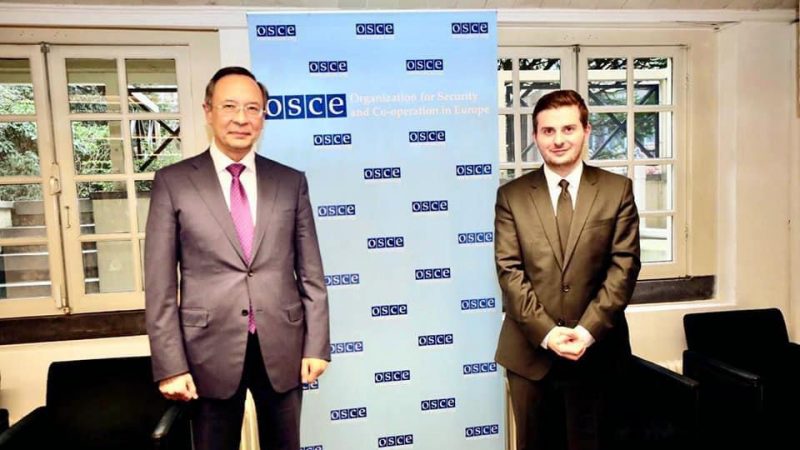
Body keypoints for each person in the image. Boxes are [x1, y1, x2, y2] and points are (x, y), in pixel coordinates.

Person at [145, 66, 330, 450]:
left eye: (252, 108)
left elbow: (312, 273)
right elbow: (160, 285)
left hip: (283, 344)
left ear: (263, 116)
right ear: (208, 111)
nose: (241, 118)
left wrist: (316, 345)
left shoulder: (290, 182)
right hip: (206, 349)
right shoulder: (173, 182)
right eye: (229, 106)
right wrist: (171, 365)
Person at [494, 89, 640, 450]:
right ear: (535, 136)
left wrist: (586, 332)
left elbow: (623, 268)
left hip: (598, 354)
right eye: (548, 131)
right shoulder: (511, 196)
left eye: (568, 129)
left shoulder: (617, 190)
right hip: (530, 356)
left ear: (586, 131)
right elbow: (510, 271)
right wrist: (547, 333)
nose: (558, 140)